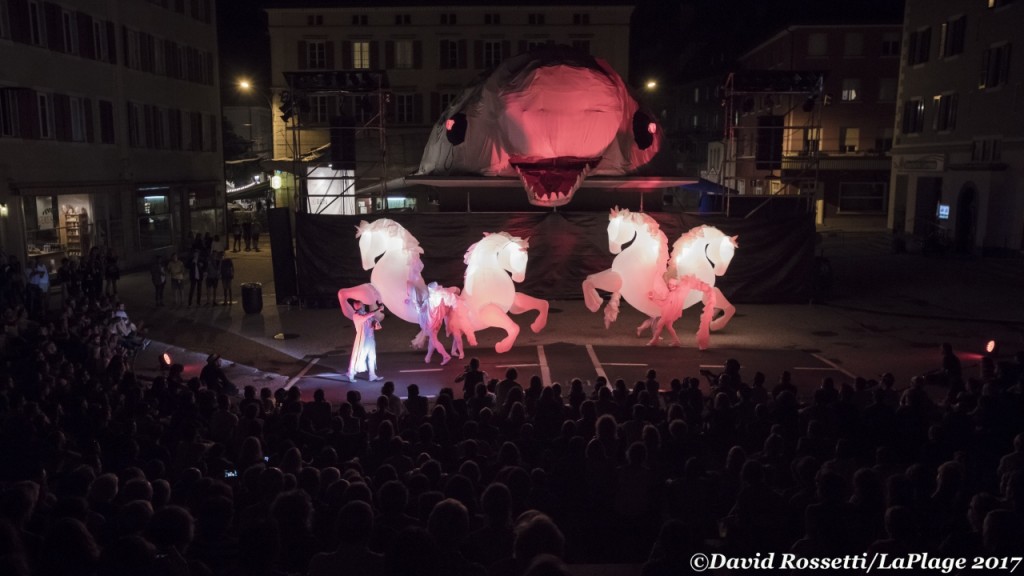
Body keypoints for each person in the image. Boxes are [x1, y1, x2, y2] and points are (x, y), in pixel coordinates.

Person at [647, 276, 713, 349]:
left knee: (659, 325)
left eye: (671, 285)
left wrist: (653, 299)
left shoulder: (675, 294)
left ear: (675, 285)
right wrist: (653, 299)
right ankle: (676, 341)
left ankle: (654, 340)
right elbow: (663, 303)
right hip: (668, 313)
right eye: (669, 285)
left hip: (668, 313)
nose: (670, 286)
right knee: (669, 326)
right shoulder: (672, 294)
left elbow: (665, 303)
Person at [347, 299, 385, 382]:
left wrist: (375, 323)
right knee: (358, 356)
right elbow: (365, 317)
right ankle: (351, 374)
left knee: (372, 357)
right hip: (362, 340)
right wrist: (378, 309)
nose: (364, 306)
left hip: (370, 338)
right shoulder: (356, 315)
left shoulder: (366, 314)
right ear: (359, 306)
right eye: (362, 305)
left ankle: (372, 375)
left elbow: (371, 321)